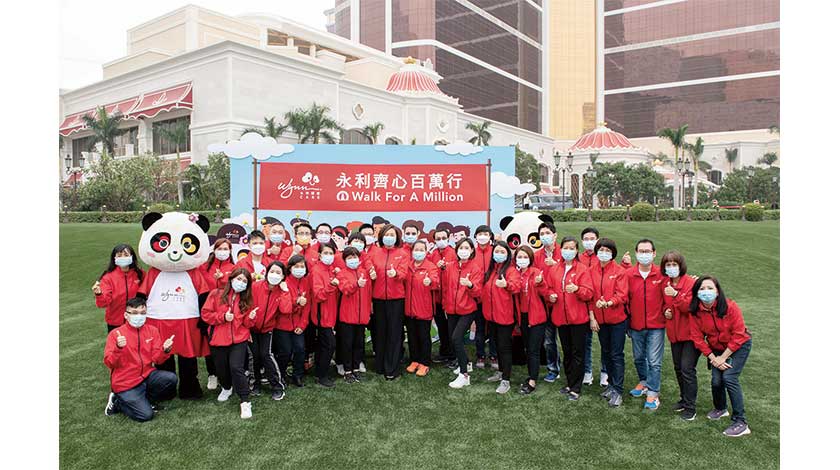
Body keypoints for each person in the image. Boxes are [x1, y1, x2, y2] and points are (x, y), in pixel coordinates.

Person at [689, 276, 753, 437]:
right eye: (702, 289)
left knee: (729, 377)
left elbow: (739, 334)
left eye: (710, 288)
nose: (706, 292)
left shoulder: (730, 307)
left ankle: (741, 422)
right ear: (696, 293)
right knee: (716, 381)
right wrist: (713, 358)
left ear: (717, 291)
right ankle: (721, 408)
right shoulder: (695, 312)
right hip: (716, 350)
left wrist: (723, 358)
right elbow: (697, 338)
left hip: (739, 345)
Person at [103, 297, 177, 422]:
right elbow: (109, 363)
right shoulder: (115, 334)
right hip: (125, 383)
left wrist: (165, 350)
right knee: (145, 415)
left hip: (146, 375)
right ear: (126, 315)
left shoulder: (152, 331)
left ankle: (146, 399)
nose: (139, 316)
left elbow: (157, 360)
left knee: (171, 379)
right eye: (135, 313)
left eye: (143, 313)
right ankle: (117, 402)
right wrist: (118, 348)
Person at [200, 268, 259, 419]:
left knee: (236, 367)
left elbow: (246, 324)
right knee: (221, 368)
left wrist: (251, 318)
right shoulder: (216, 294)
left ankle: (245, 401)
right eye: (239, 279)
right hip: (218, 339)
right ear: (231, 279)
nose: (241, 283)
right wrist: (223, 317)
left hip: (239, 339)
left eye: (244, 281)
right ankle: (226, 387)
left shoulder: (246, 300)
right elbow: (205, 315)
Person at [545, 236, 594, 401]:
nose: (568, 251)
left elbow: (589, 293)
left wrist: (577, 289)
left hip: (578, 318)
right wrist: (550, 295)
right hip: (561, 317)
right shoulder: (554, 269)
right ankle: (569, 382)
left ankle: (576, 387)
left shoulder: (582, 269)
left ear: (577, 250)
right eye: (565, 248)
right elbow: (548, 288)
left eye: (572, 248)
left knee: (578, 353)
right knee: (567, 352)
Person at [625, 239, 667, 411]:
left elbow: (669, 296)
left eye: (647, 251)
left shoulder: (661, 275)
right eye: (641, 251)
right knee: (638, 358)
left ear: (654, 253)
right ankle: (644, 381)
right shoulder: (629, 274)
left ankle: (653, 393)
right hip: (635, 325)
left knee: (654, 361)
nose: (644, 254)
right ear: (636, 253)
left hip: (656, 325)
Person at [587, 238, 628, 407]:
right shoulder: (591, 270)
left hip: (617, 320)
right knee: (606, 352)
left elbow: (622, 295)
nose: (604, 253)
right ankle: (611, 385)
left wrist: (609, 303)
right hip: (600, 321)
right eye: (601, 250)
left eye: (608, 250)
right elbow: (589, 296)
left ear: (613, 253)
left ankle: (618, 389)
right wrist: (592, 317)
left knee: (616, 354)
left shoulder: (619, 271)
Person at [661, 250, 700, 421]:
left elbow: (690, 307)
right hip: (674, 333)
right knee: (678, 367)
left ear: (680, 266)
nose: (671, 267)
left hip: (690, 335)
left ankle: (691, 407)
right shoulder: (665, 284)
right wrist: (666, 311)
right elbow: (664, 305)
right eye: (668, 265)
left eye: (674, 264)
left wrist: (676, 295)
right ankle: (684, 399)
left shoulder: (691, 283)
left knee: (687, 369)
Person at [369, 224, 409, 380]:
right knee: (380, 333)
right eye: (386, 234)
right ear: (381, 237)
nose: (389, 237)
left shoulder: (402, 253)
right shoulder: (374, 253)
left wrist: (396, 274)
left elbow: (404, 274)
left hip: (396, 300)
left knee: (394, 334)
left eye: (392, 235)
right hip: (378, 299)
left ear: (397, 237)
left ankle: (392, 368)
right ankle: (380, 365)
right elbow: (369, 271)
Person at [443, 239, 484, 389]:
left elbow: (478, 292)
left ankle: (464, 375)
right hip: (451, 310)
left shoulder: (475, 268)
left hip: (467, 310)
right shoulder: (450, 266)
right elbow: (446, 288)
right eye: (461, 247)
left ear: (472, 250)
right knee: (452, 339)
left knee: (457, 338)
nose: (463, 250)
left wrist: (470, 285)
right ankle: (466, 362)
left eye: (467, 248)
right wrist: (446, 306)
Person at [481, 242, 522, 394]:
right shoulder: (491, 271)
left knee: (504, 348)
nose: (499, 254)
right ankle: (500, 371)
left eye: (502, 251)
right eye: (496, 251)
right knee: (497, 346)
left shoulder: (511, 270)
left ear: (507, 254)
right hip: (491, 317)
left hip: (505, 317)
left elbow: (516, 287)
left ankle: (506, 380)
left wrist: (506, 285)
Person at [250, 261, 292, 401]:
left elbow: (286, 309)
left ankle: (277, 386)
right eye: (272, 271)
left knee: (266, 355)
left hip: (267, 329)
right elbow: (246, 304)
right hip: (251, 328)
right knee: (254, 356)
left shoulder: (281, 291)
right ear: (267, 273)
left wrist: (285, 291)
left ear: (283, 276)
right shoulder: (256, 286)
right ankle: (255, 384)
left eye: (278, 272)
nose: (274, 274)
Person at [199, 238, 235, 390]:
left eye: (225, 249)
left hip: (226, 310)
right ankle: (212, 374)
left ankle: (225, 376)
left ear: (230, 251)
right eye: (219, 249)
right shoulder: (204, 267)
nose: (222, 252)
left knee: (224, 344)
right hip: (206, 308)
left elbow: (235, 285)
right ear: (214, 250)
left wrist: (222, 279)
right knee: (209, 342)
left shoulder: (233, 267)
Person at [512, 246, 548, 395]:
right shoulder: (515, 274)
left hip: (537, 316)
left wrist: (541, 283)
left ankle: (532, 381)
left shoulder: (536, 272)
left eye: (525, 257)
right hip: (523, 316)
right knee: (528, 347)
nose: (522, 260)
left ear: (531, 258)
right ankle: (531, 374)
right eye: (519, 257)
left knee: (533, 349)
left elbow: (545, 293)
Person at [336, 247, 373, 383]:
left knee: (359, 344)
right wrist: (356, 284)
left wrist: (368, 310)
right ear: (345, 260)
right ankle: (347, 371)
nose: (353, 260)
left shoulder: (364, 272)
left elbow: (369, 293)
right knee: (347, 344)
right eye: (349, 258)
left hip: (362, 315)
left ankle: (356, 368)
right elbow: (345, 289)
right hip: (347, 316)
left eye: (355, 257)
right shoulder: (341, 274)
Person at [578, 227, 610, 387]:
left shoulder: (603, 256)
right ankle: (587, 371)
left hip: (603, 306)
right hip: (584, 306)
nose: (589, 242)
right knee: (586, 342)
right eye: (586, 239)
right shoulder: (579, 258)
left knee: (606, 344)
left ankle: (605, 372)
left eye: (592, 238)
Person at [404, 240, 440, 377]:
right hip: (409, 309)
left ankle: (424, 362)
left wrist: (430, 281)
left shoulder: (430, 267)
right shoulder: (408, 266)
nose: (418, 252)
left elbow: (436, 282)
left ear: (426, 251)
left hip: (424, 309)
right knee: (412, 337)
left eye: (421, 250)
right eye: (416, 249)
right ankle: (414, 360)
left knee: (424, 337)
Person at [274, 254, 311, 387]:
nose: (299, 269)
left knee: (300, 349)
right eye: (296, 266)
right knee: (285, 352)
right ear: (290, 268)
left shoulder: (306, 282)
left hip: (298, 324)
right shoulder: (284, 282)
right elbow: (283, 305)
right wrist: (296, 302)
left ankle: (297, 375)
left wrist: (302, 325)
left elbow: (307, 306)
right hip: (282, 324)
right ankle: (281, 374)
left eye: (302, 266)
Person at [93, 244, 145, 332]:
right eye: (119, 255)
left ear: (132, 257)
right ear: (114, 258)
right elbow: (103, 304)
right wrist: (99, 294)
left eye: (126, 255)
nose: (123, 258)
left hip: (136, 320)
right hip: (115, 322)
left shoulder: (140, 274)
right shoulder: (108, 278)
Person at [310, 241, 341, 387]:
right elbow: (318, 295)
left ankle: (320, 372)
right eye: (325, 253)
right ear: (319, 255)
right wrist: (331, 285)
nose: (328, 256)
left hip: (330, 313)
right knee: (329, 344)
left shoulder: (332, 269)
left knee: (324, 345)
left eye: (331, 253)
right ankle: (321, 375)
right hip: (321, 314)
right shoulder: (316, 271)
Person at [534, 222, 562, 383]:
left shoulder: (564, 252)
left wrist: (556, 265)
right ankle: (553, 368)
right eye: (542, 234)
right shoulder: (537, 256)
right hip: (545, 303)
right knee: (549, 340)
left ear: (555, 235)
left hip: (563, 302)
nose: (545, 236)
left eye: (547, 233)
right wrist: (547, 294)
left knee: (568, 340)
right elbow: (535, 278)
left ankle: (573, 368)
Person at [428, 227, 457, 365]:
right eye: (438, 238)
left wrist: (446, 268)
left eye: (443, 238)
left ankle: (453, 355)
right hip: (436, 298)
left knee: (451, 328)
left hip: (450, 298)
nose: (441, 241)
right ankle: (444, 352)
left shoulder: (454, 253)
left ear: (449, 238)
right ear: (434, 240)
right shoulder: (433, 254)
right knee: (441, 327)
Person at [471, 225, 497, 370]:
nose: (482, 236)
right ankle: (480, 355)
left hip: (493, 298)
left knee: (493, 329)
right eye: (480, 234)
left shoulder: (495, 251)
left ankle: (494, 356)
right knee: (480, 329)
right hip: (477, 298)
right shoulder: (472, 252)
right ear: (475, 236)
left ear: (490, 236)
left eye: (485, 234)